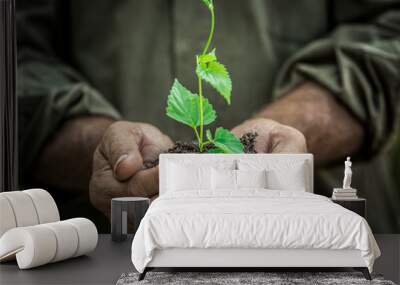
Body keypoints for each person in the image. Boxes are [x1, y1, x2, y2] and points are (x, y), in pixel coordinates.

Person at [17, 0, 400, 233]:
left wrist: (285, 135)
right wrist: (103, 152)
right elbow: (17, 56)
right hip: (103, 242)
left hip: (311, 233)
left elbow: (390, 29)